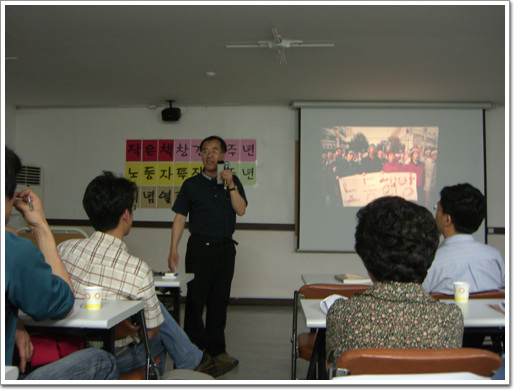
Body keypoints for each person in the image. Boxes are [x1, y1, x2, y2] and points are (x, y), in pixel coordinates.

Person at [58, 171, 218, 377]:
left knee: (152, 311)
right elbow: (151, 331)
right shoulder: (136, 269)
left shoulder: (64, 249)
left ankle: (192, 359)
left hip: (71, 349)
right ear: (126, 215)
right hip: (113, 355)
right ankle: (154, 373)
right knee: (159, 336)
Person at [4, 147, 119, 380]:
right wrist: (40, 226)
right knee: (103, 360)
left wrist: (15, 324)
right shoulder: (13, 249)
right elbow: (63, 304)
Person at [326, 196, 464, 365]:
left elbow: (333, 370)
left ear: (367, 260)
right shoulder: (450, 319)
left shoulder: (343, 314)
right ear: (429, 256)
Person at [168, 135, 248, 376]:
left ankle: (217, 349)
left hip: (224, 249)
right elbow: (180, 218)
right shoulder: (191, 184)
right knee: (195, 301)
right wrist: (174, 248)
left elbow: (241, 209)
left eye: (215, 150)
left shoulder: (232, 182)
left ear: (224, 155)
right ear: (201, 155)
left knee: (219, 301)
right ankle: (194, 351)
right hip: (198, 248)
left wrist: (231, 184)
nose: (210, 155)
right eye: (205, 151)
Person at [423, 183, 505, 295]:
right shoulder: (494, 257)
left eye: (438, 208)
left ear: (448, 219)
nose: (435, 214)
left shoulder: (431, 262)